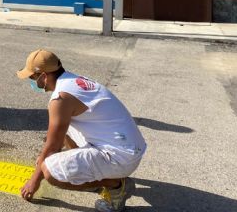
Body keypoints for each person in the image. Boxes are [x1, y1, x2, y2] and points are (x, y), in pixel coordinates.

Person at [17, 49, 146, 212]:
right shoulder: (72, 81)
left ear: (43, 76)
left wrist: (33, 181)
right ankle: (94, 172)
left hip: (121, 158)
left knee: (50, 171)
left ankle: (116, 185)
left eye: (32, 77)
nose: (31, 82)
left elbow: (52, 147)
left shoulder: (60, 99)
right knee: (62, 128)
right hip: (128, 148)